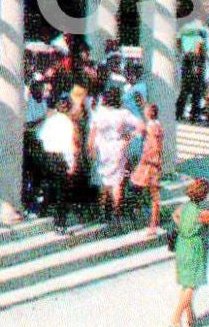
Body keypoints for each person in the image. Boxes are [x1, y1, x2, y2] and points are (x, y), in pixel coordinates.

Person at [171, 178, 209, 327]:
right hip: (195, 248)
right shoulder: (201, 214)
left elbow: (175, 216)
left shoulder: (185, 207)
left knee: (186, 283)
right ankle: (175, 319)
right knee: (192, 284)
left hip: (182, 245)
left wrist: (184, 227)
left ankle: (191, 316)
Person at [88, 86, 143, 226]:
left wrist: (90, 148)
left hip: (101, 147)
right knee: (117, 182)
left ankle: (102, 212)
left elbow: (92, 132)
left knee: (102, 181)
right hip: (118, 146)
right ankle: (115, 213)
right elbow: (141, 126)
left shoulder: (99, 112)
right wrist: (129, 136)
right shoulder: (123, 113)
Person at [37, 97, 79, 233]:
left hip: (48, 155)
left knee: (48, 186)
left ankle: (44, 211)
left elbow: (40, 137)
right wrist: (72, 162)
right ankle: (60, 222)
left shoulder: (50, 120)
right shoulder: (68, 123)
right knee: (62, 191)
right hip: (61, 157)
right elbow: (69, 144)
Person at [130, 101, 165, 233]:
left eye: (146, 110)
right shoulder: (155, 125)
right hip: (150, 163)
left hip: (150, 164)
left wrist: (146, 157)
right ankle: (141, 213)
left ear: (150, 113)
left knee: (153, 194)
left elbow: (156, 147)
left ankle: (153, 224)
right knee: (140, 187)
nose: (144, 112)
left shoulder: (152, 127)